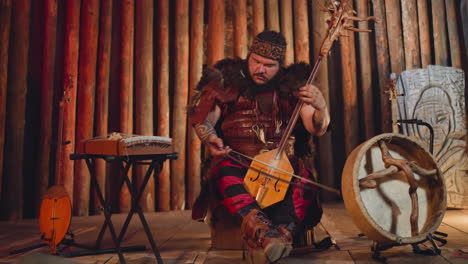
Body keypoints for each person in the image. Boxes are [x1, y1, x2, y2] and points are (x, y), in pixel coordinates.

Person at [188, 30, 330, 263]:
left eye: (268, 65)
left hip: (281, 166)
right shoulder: (228, 81)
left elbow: (316, 128)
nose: (260, 69)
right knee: (222, 169)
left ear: (279, 65)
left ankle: (276, 237)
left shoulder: (293, 85)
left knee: (302, 178)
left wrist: (321, 106)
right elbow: (203, 120)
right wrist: (210, 138)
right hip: (237, 163)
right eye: (255, 61)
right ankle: (269, 235)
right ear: (249, 56)